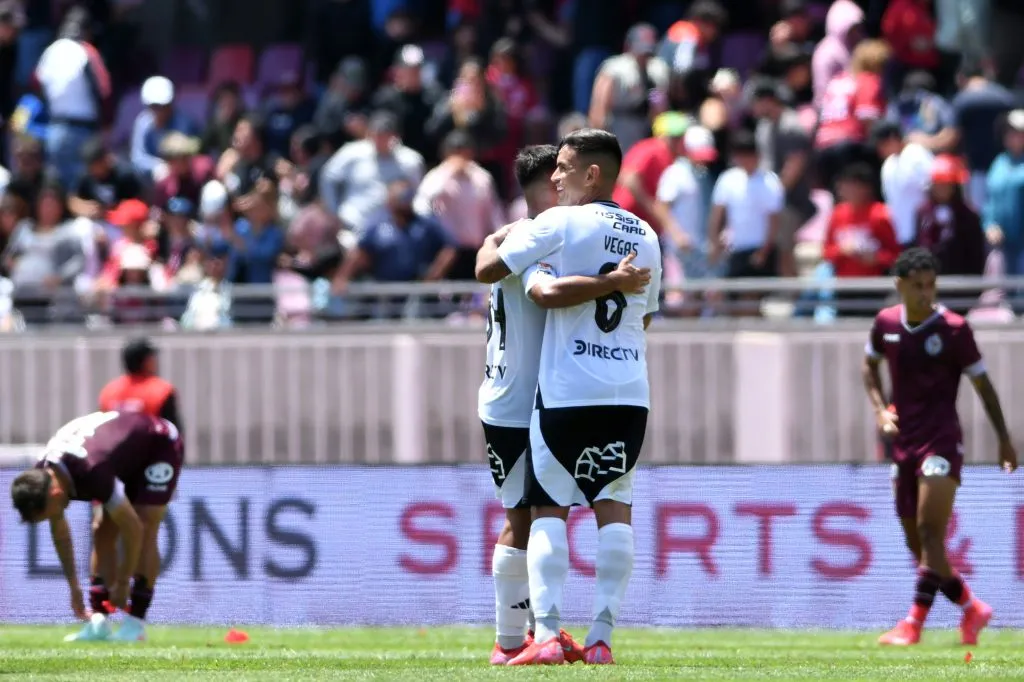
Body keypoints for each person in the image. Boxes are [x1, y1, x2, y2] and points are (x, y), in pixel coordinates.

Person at [476, 129, 662, 665]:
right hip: (629, 390)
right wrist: (613, 285)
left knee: (540, 511)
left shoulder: (554, 227)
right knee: (615, 507)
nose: (557, 179)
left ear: (591, 173)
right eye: (551, 172)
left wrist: (500, 238)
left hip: (559, 391)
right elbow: (645, 314)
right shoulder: (647, 233)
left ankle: (540, 636)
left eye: (564, 168)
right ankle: (601, 637)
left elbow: (500, 275)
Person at [863, 247, 1017, 647]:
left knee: (932, 533)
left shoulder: (952, 328)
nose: (925, 294)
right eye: (917, 286)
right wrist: (881, 410)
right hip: (904, 444)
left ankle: (912, 624)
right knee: (918, 544)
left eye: (930, 285)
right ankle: (972, 609)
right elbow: (869, 366)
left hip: (941, 442)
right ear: (899, 285)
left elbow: (983, 385)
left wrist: (1004, 439)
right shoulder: (885, 324)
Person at [9, 410, 185, 642]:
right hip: (119, 454)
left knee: (145, 522)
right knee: (101, 529)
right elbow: (60, 532)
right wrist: (74, 587)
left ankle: (135, 624)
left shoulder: (92, 471)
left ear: (56, 493)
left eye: (47, 515)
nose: (52, 519)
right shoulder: (42, 475)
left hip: (158, 444)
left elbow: (133, 529)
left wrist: (123, 583)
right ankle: (98, 622)